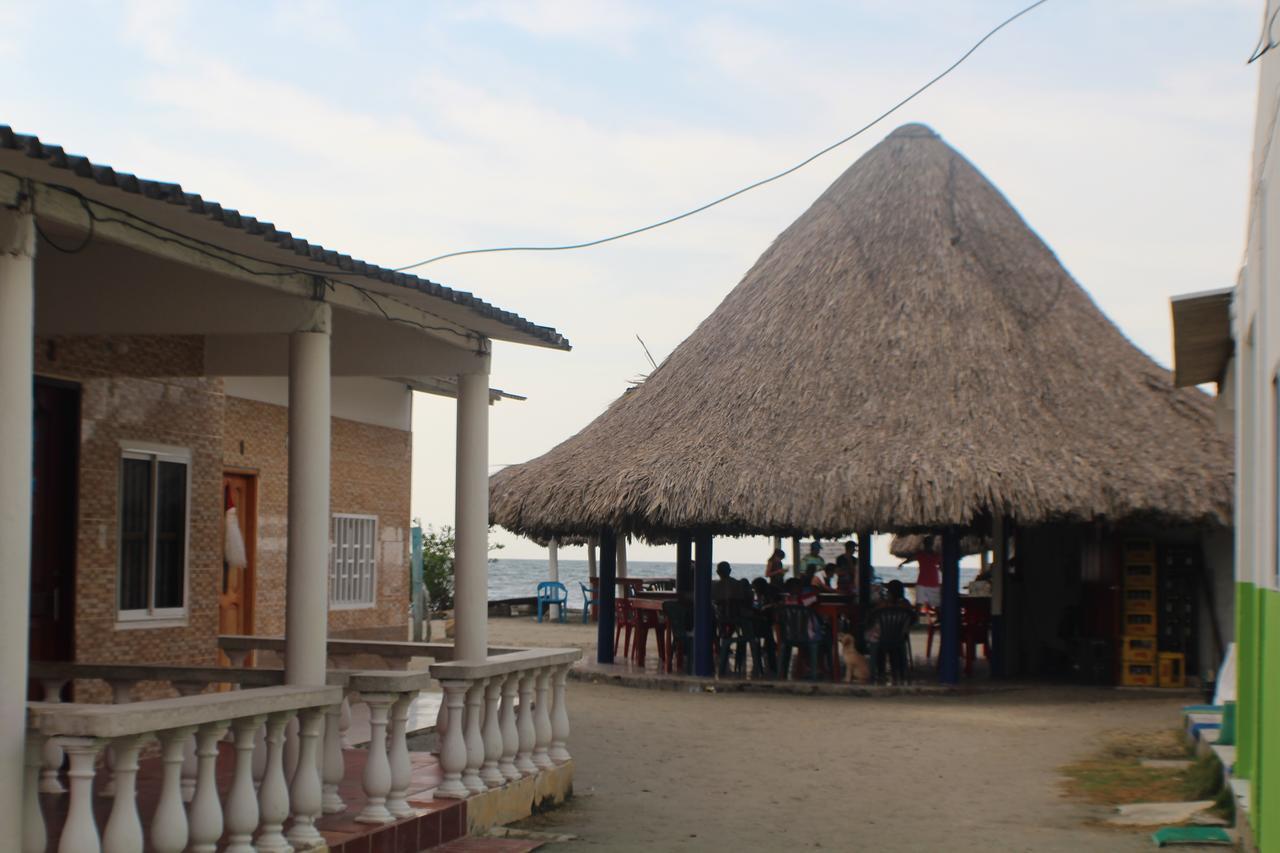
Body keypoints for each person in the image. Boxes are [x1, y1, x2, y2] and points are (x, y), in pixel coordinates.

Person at [865, 580, 917, 683]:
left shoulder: (883, 604)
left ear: (888, 591)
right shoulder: (906, 605)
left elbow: (870, 619)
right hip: (899, 637)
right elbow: (913, 620)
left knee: (874, 640)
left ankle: (880, 672)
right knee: (897, 649)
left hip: (880, 638)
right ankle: (898, 673)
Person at [911, 534, 942, 613]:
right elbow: (911, 558)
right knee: (919, 604)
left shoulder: (936, 555)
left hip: (933, 583)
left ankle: (940, 620)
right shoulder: (920, 554)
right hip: (922, 583)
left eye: (930, 543)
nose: (929, 545)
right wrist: (902, 563)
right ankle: (916, 621)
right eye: (927, 543)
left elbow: (941, 565)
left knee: (937, 605)